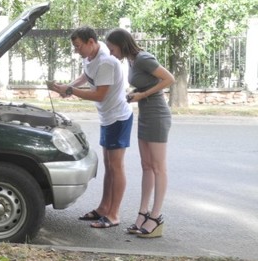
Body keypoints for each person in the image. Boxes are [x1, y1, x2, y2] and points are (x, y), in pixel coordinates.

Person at [50, 27, 132, 229]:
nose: (77, 50)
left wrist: (71, 90)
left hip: (118, 118)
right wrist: (68, 87)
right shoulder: (91, 57)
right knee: (108, 165)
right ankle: (104, 208)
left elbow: (99, 95)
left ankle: (114, 214)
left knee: (116, 167)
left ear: (91, 42)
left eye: (78, 46)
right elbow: (85, 76)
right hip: (107, 117)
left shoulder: (106, 62)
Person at [105, 28, 175, 238]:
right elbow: (149, 82)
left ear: (122, 44)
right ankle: (142, 213)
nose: (111, 53)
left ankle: (156, 216)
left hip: (157, 115)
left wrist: (142, 93)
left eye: (112, 48)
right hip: (145, 114)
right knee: (146, 166)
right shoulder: (132, 61)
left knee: (158, 167)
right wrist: (135, 93)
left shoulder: (143, 58)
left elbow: (169, 79)